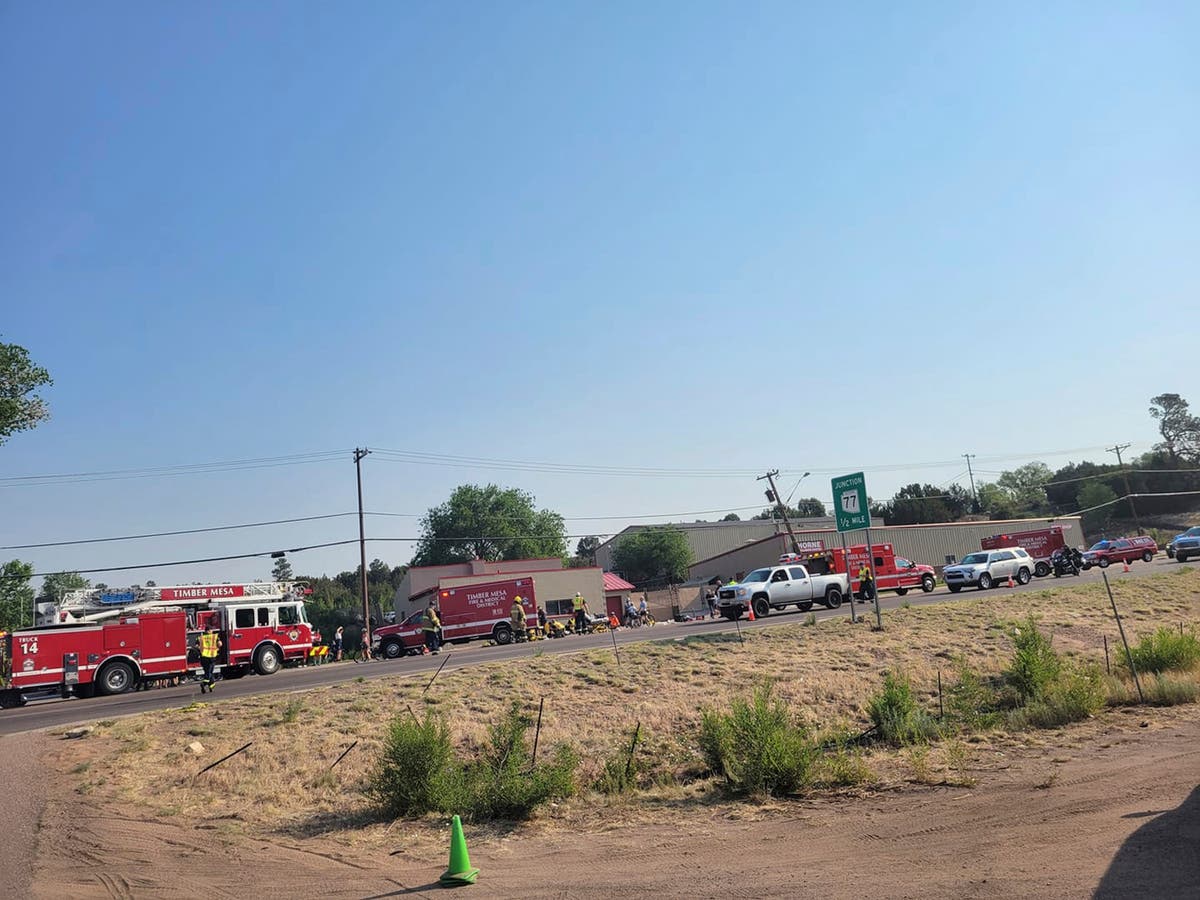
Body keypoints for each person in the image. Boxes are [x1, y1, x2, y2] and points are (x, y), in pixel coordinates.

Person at [198, 622, 221, 694]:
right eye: (211, 630)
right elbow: (220, 644)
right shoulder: (214, 637)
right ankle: (204, 684)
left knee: (208, 672)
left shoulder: (201, 637)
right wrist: (217, 647)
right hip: (211, 657)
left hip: (203, 658)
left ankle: (211, 686)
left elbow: (197, 646)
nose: (212, 631)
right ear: (209, 630)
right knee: (209, 672)